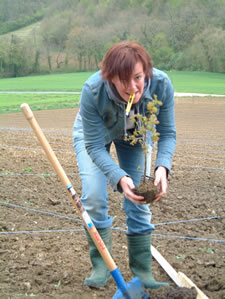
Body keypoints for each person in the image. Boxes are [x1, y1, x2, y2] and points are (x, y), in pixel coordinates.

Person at [73, 41, 176, 289]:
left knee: (141, 196)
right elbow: (96, 147)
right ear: (111, 79)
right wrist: (119, 177)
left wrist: (162, 167)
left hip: (133, 134)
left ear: (146, 72)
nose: (132, 87)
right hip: (94, 135)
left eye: (138, 78)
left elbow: (168, 132)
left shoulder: (161, 85)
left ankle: (143, 273)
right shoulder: (93, 90)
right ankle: (101, 265)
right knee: (95, 197)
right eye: (123, 81)